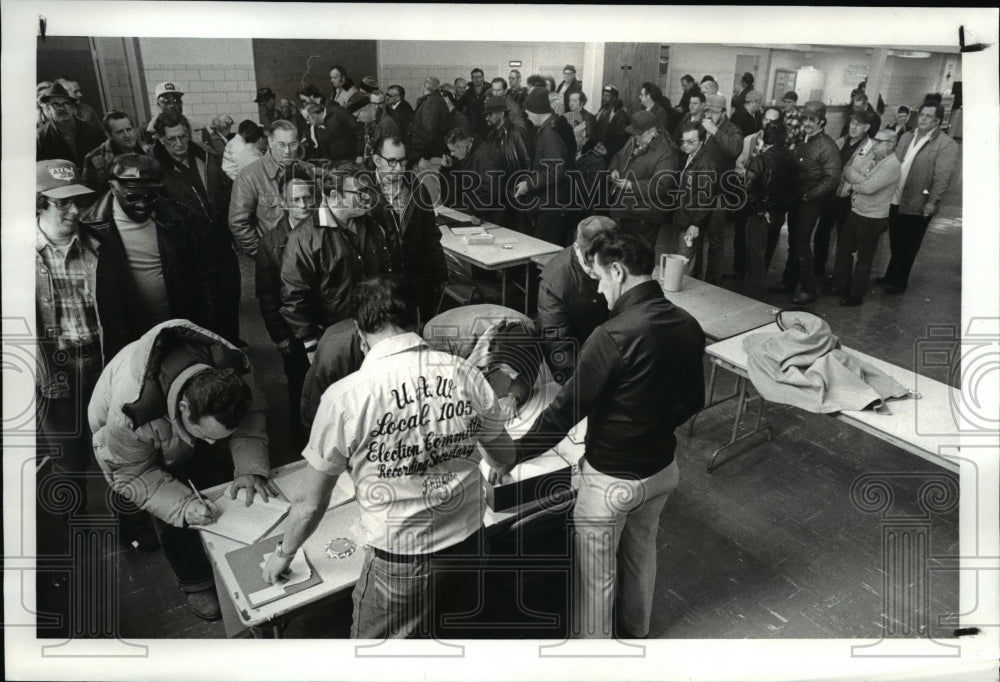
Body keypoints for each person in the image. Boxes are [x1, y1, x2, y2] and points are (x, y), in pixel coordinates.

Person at [262, 275, 514, 639]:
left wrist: (283, 554)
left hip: (403, 562)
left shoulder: (346, 397)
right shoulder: (464, 372)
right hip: (470, 544)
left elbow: (309, 504)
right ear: (417, 317)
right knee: (456, 641)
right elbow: (504, 454)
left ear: (361, 334)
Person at [511, 231, 705, 639]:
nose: (598, 290)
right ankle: (638, 631)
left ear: (618, 271)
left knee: (595, 579)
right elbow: (693, 401)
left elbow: (564, 413)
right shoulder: (689, 324)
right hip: (663, 470)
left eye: (600, 277)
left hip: (612, 480)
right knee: (641, 555)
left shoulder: (612, 335)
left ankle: (594, 658)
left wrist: (511, 455)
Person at [90, 319, 275, 621]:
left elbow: (251, 418)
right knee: (169, 511)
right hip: (125, 439)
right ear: (185, 408)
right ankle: (195, 581)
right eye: (207, 435)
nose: (214, 443)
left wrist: (249, 468)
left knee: (210, 474)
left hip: (170, 423)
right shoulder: (130, 413)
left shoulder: (236, 369)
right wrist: (184, 506)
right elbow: (133, 473)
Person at [78, 153, 216, 337]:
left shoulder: (181, 217)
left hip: (181, 327)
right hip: (130, 336)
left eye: (150, 197)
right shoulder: (89, 228)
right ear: (112, 187)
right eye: (133, 197)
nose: (142, 205)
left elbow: (208, 275)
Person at [151, 112, 241, 345]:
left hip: (221, 246)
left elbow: (225, 191)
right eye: (171, 139)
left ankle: (231, 344)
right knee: (200, 308)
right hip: (190, 254)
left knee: (230, 298)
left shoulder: (207, 157)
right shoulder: (156, 170)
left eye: (183, 137)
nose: (179, 144)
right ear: (161, 139)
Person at [281, 169, 383, 364]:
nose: (367, 198)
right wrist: (311, 345)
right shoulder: (303, 239)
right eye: (359, 193)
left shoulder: (370, 223)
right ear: (335, 196)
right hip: (336, 340)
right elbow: (294, 299)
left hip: (375, 332)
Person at [877, 101, 959, 294]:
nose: (923, 118)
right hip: (896, 196)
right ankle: (891, 275)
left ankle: (900, 281)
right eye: (922, 114)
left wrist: (932, 201)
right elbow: (895, 161)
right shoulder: (906, 136)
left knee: (909, 242)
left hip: (919, 201)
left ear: (938, 121)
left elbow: (942, 177)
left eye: (929, 116)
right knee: (896, 239)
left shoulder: (946, 144)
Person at [367, 136, 448, 319]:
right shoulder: (364, 191)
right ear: (377, 160)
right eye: (392, 161)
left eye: (403, 160)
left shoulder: (417, 188)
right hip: (380, 285)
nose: (399, 168)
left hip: (415, 280)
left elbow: (431, 234)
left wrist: (440, 274)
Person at [770, 101, 842, 304]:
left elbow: (832, 179)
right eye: (805, 119)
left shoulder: (827, 146)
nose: (808, 123)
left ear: (822, 121)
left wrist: (809, 195)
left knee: (801, 244)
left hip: (810, 202)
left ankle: (808, 288)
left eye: (812, 120)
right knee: (794, 243)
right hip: (798, 199)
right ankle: (789, 280)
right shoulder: (805, 140)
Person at [536, 215, 614, 384]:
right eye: (591, 261)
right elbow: (557, 346)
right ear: (577, 246)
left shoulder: (620, 260)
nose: (598, 269)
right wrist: (582, 390)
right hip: (578, 357)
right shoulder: (555, 280)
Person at [831, 129, 901, 306]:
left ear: (891, 144)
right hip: (856, 211)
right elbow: (848, 170)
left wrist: (857, 181)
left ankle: (856, 295)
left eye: (879, 141)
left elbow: (869, 188)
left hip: (873, 217)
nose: (874, 144)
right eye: (874, 140)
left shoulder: (892, 165)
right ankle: (841, 285)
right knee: (844, 250)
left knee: (864, 257)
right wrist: (862, 179)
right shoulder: (872, 156)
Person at [229, 119, 318, 256]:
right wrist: (265, 255)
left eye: (292, 144)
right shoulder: (249, 176)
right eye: (281, 145)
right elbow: (239, 223)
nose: (287, 151)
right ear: (270, 142)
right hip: (276, 259)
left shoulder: (308, 170)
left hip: (310, 254)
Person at [814, 109, 873, 284]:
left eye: (859, 124)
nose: (854, 127)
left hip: (848, 198)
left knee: (845, 238)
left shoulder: (869, 148)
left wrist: (850, 185)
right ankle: (818, 267)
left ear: (867, 127)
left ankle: (841, 276)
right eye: (852, 123)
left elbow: (865, 174)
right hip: (830, 195)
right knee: (822, 232)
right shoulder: (839, 142)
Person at [608, 109, 679, 252]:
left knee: (640, 257)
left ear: (652, 131)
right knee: (624, 255)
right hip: (625, 210)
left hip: (645, 215)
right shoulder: (633, 140)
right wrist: (614, 169)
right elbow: (618, 157)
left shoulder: (666, 153)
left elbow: (661, 184)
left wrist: (631, 186)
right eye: (634, 133)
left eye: (639, 134)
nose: (635, 137)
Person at [515, 88, 576, 246]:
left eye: (527, 112)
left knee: (543, 252)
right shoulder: (557, 126)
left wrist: (528, 185)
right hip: (557, 202)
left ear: (536, 111)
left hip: (551, 205)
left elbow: (555, 170)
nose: (527, 116)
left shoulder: (549, 134)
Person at [741, 121, 794, 300]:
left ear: (764, 138)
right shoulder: (790, 157)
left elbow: (749, 188)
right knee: (768, 252)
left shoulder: (760, 160)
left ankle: (754, 298)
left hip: (762, 215)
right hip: (779, 215)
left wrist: (761, 210)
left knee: (755, 257)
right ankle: (757, 293)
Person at [730, 106, 783, 280]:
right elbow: (739, 163)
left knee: (762, 237)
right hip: (747, 192)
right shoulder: (750, 139)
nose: (768, 123)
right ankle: (739, 268)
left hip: (765, 198)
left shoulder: (782, 144)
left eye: (773, 120)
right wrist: (747, 174)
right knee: (740, 230)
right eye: (766, 119)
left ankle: (757, 274)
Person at [699, 93, 743, 283]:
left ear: (724, 113)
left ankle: (711, 282)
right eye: (707, 111)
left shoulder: (733, 129)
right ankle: (694, 278)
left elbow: (734, 149)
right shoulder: (701, 126)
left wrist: (714, 131)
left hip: (720, 192)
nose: (709, 115)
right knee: (697, 235)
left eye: (714, 112)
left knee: (715, 239)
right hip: (701, 190)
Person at [669, 123, 717, 275]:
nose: (685, 145)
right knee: (686, 261)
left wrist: (695, 223)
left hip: (690, 222)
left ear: (702, 141)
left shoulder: (705, 163)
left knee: (683, 265)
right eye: (683, 141)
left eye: (690, 142)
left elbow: (706, 196)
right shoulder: (689, 156)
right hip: (684, 218)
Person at [442, 127, 504, 225]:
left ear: (463, 147)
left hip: (488, 216)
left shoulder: (483, 157)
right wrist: (451, 166)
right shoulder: (472, 151)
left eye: (453, 150)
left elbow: (490, 190)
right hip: (477, 211)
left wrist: (479, 214)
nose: (452, 154)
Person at [36, 82, 105, 167]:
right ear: (48, 109)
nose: (62, 108)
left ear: (72, 108)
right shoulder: (40, 138)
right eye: (55, 105)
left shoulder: (93, 132)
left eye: (66, 104)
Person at [82, 110, 149, 194]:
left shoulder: (148, 150)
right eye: (120, 132)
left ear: (134, 129)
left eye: (129, 129)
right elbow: (89, 197)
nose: (127, 135)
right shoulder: (94, 158)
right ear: (109, 136)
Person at [408, 76, 451, 166]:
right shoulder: (438, 101)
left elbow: (429, 132)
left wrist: (425, 156)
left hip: (427, 156)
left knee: (426, 178)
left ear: (424, 87)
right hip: (434, 153)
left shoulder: (430, 103)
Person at [356, 90, 402, 161]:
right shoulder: (370, 116)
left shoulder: (388, 121)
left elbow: (386, 148)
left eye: (380, 103)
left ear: (385, 102)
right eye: (374, 103)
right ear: (370, 103)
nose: (377, 106)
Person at [595, 85, 630, 160]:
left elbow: (621, 140)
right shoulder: (602, 110)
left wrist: (608, 151)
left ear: (614, 98)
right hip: (598, 151)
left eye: (607, 96)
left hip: (609, 155)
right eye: (603, 95)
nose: (604, 98)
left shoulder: (620, 115)